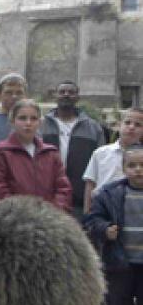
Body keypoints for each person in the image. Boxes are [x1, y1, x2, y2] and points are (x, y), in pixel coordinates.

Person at [83, 145, 143, 305]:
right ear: (123, 168)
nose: (138, 170)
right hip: (120, 262)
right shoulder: (111, 194)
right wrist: (105, 229)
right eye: (132, 165)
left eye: (142, 165)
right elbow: (92, 219)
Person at [0, 99, 72, 212]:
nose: (28, 123)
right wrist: (22, 214)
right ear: (12, 121)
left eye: (33, 118)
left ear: (40, 123)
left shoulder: (51, 153)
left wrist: (53, 213)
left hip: (50, 220)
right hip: (15, 220)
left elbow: (63, 188)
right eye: (22, 118)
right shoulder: (1, 152)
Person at [40, 81, 105, 219]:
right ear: (55, 96)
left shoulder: (93, 128)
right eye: (62, 91)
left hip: (80, 200)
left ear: (78, 97)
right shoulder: (41, 125)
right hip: (46, 198)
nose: (66, 95)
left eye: (71, 92)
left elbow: (101, 164)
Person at [83, 107, 143, 213]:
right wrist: (87, 214)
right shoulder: (100, 153)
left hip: (135, 211)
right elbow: (90, 184)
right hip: (103, 210)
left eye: (138, 125)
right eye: (127, 122)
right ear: (119, 125)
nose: (131, 127)